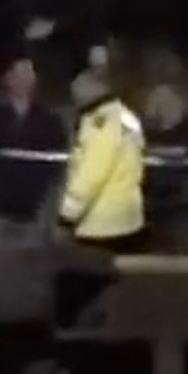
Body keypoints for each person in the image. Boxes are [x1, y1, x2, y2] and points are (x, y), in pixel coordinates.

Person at [0, 53, 69, 235]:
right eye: (18, 73)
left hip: (35, 202)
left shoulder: (49, 118)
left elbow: (57, 155)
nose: (23, 79)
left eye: (28, 73)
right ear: (7, 78)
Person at [58, 69, 149, 252]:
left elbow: (92, 172)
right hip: (126, 216)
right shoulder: (125, 114)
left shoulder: (100, 121)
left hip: (100, 223)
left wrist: (68, 213)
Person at [139, 82, 188, 252]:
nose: (161, 105)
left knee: (179, 257)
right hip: (148, 207)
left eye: (166, 100)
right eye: (156, 100)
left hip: (182, 207)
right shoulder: (144, 133)